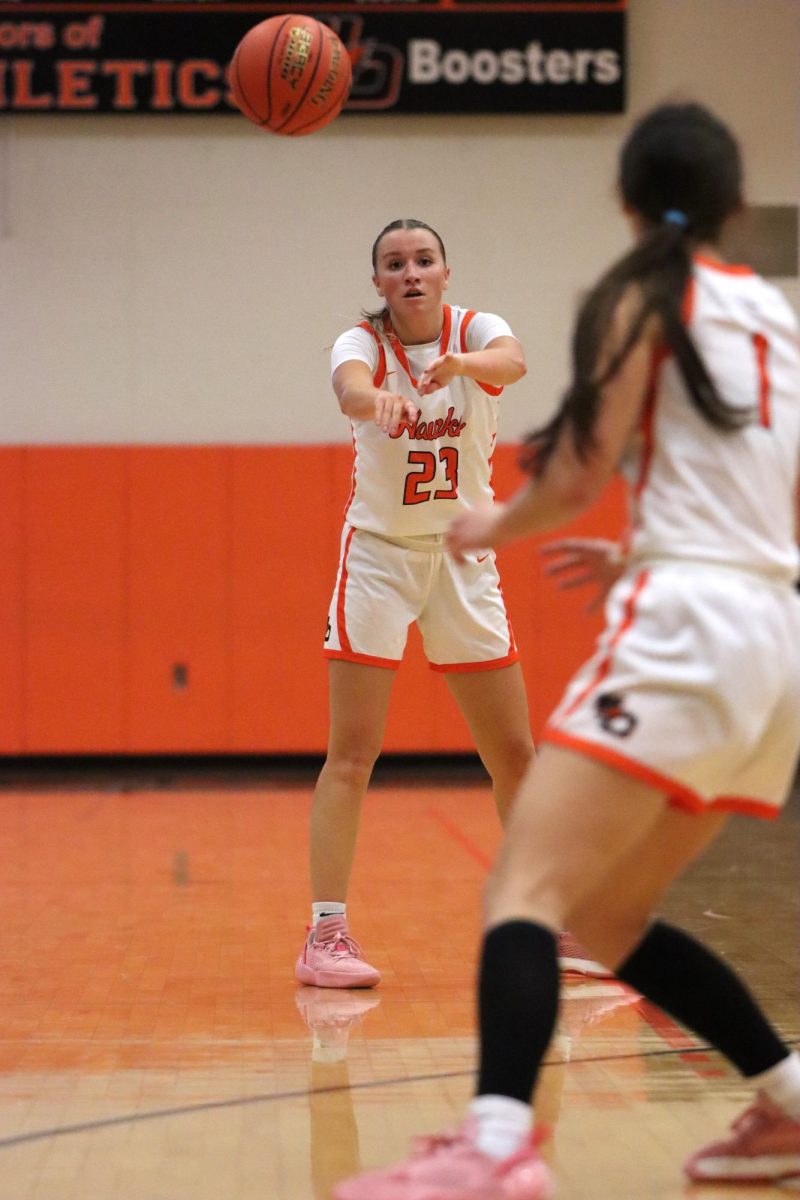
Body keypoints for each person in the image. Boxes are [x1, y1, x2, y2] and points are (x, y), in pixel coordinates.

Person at [333, 103, 800, 1198]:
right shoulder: (774, 318)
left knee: (525, 888)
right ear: (732, 202)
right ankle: (786, 1105)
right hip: (772, 639)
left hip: (689, 629)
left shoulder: (638, 294)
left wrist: (493, 524)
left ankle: (496, 1148)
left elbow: (579, 467)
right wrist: (648, 553)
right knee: (604, 916)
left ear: (625, 201)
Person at [296, 219, 609, 990]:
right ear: (378, 282)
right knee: (353, 753)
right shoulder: (360, 344)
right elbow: (349, 386)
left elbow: (515, 361)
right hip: (379, 559)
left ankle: (549, 920)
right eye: (394, 263)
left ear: (444, 272)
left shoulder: (479, 332)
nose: (410, 272)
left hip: (464, 560)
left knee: (514, 753)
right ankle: (324, 934)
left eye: (423, 260)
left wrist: (459, 362)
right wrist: (378, 405)